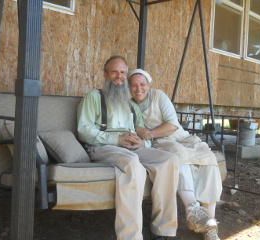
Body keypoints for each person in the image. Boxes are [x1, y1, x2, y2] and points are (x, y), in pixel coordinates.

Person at [77, 56, 180, 240]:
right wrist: (117, 139)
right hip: (104, 147)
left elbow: (143, 133)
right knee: (133, 163)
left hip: (132, 147)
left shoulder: (132, 104)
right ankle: (130, 237)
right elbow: (84, 130)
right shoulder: (93, 96)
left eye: (123, 72)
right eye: (114, 72)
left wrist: (143, 143)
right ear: (105, 74)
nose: (119, 76)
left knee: (169, 160)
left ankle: (163, 230)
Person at [128, 69, 223, 240]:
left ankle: (209, 223)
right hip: (160, 143)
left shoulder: (158, 96)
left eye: (142, 84)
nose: (138, 88)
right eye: (133, 85)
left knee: (209, 159)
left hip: (181, 137)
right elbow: (127, 125)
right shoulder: (127, 103)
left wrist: (148, 132)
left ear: (148, 85)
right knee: (177, 154)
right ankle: (193, 209)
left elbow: (172, 125)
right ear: (129, 87)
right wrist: (138, 129)